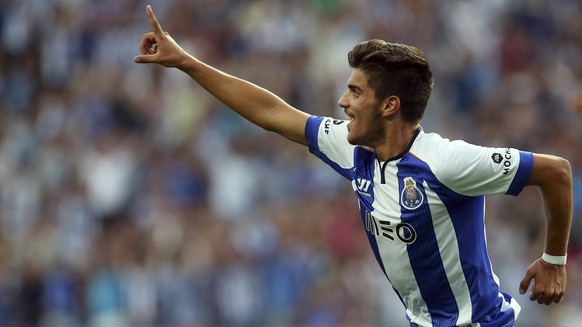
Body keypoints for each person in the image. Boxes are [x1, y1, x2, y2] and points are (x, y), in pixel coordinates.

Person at [134, 5, 573, 327]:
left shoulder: (446, 162)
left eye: (355, 92)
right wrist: (185, 62)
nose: (343, 102)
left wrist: (554, 259)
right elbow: (270, 112)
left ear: (390, 105)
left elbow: (556, 171)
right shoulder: (352, 147)